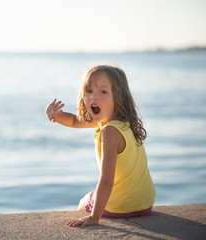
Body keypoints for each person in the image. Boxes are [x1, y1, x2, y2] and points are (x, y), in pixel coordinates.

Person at [45, 65, 155, 227]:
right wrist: (55, 116)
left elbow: (106, 181)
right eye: (89, 91)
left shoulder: (109, 132)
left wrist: (94, 217)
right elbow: (76, 121)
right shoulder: (124, 122)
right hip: (145, 204)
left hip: (119, 207)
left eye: (103, 91)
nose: (94, 97)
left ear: (119, 98)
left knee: (83, 202)